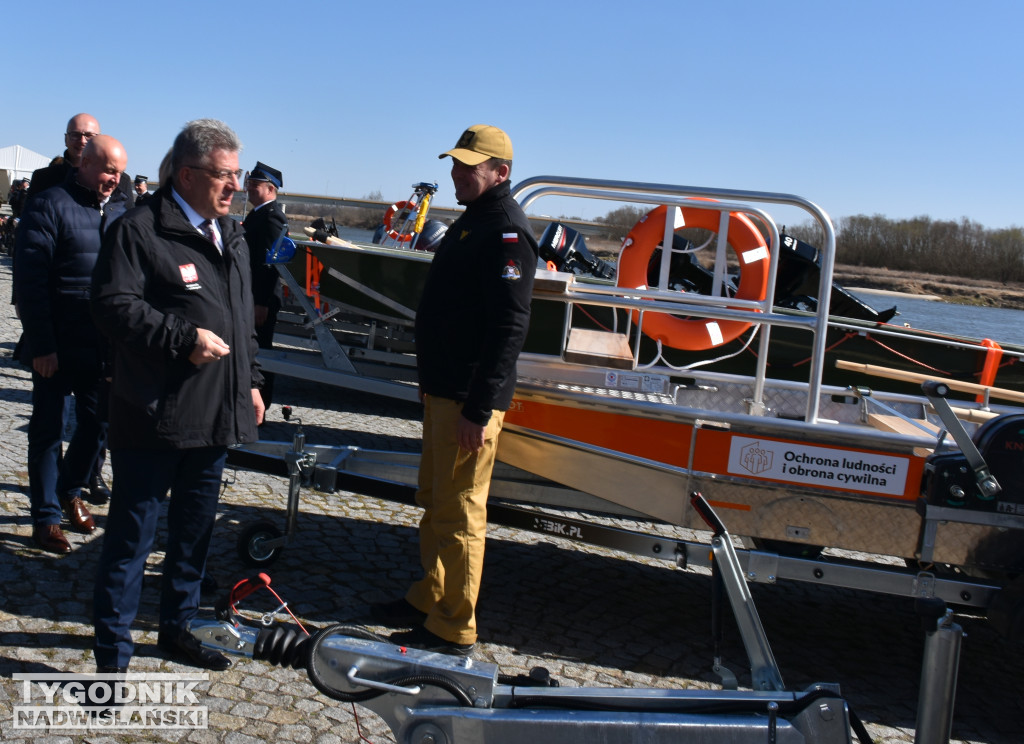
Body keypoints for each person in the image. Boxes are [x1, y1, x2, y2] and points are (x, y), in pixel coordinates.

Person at [90, 119, 264, 673]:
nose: (234, 185)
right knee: (130, 543)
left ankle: (180, 628)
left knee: (194, 538)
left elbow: (242, 323)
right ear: (187, 175)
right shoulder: (139, 230)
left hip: (214, 416)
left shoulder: (230, 233)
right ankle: (112, 661)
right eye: (223, 175)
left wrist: (253, 382)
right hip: (155, 416)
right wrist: (182, 338)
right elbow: (113, 306)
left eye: (237, 174)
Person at [372, 125, 539, 655]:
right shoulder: (474, 223)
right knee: (435, 499)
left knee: (462, 510)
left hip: (469, 400)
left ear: (500, 173)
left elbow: (508, 328)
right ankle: (431, 595)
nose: (457, 173)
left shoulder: (507, 232)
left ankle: (453, 627)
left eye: (470, 166)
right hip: (444, 391)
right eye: (456, 163)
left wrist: (480, 405)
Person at [13, 136, 130, 554]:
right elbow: (30, 283)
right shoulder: (49, 204)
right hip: (56, 343)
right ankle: (45, 518)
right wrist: (42, 344)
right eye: (106, 170)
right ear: (82, 162)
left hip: (101, 345)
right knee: (46, 431)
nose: (113, 179)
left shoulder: (121, 210)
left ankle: (69, 488)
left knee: (98, 423)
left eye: (118, 172)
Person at [243, 161, 287, 411]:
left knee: (261, 355)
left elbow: (270, 266)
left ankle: (261, 404)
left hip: (261, 300)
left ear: (270, 189)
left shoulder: (272, 218)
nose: (248, 189)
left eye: (254, 185)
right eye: (248, 184)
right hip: (252, 296)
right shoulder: (258, 214)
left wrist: (261, 302)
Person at [30, 113, 134, 204]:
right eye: (75, 135)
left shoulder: (121, 181)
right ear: (66, 139)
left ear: (100, 139)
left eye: (89, 135)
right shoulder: (43, 178)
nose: (82, 141)